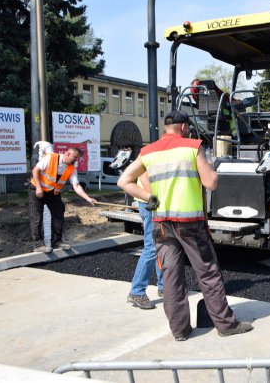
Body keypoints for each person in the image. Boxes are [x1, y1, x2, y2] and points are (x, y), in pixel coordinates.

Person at [117, 110, 253, 341]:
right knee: (208, 273)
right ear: (183, 127)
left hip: (162, 223)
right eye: (188, 127)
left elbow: (124, 181)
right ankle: (225, 325)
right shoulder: (192, 146)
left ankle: (180, 330)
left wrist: (148, 197)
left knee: (170, 276)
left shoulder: (149, 151)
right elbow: (211, 182)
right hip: (191, 223)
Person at [29, 147, 96, 253]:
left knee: (59, 213)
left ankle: (57, 241)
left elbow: (76, 186)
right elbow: (35, 170)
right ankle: (37, 244)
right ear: (68, 154)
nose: (76, 160)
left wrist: (88, 198)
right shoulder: (51, 158)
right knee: (37, 217)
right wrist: (38, 187)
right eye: (75, 157)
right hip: (37, 189)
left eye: (77, 158)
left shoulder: (71, 168)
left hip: (53, 193)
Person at [126, 172, 164, 310]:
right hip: (150, 203)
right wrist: (152, 196)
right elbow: (143, 174)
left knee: (161, 245)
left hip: (156, 202)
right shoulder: (149, 151)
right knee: (152, 246)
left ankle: (164, 286)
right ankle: (137, 292)